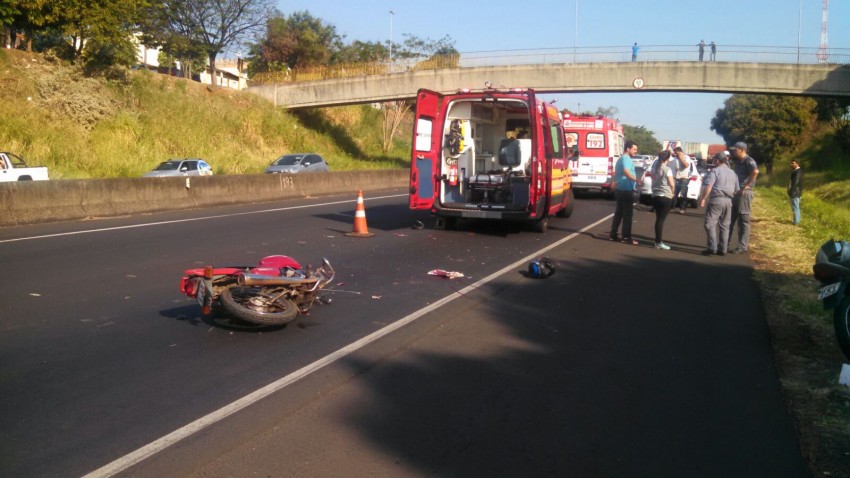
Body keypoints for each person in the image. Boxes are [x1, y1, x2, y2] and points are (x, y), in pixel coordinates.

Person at [699, 152, 739, 255]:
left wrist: (703, 198)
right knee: (725, 226)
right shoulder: (733, 173)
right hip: (729, 201)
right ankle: (723, 249)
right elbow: (736, 190)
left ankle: (712, 247)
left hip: (716, 200)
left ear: (717, 160)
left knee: (709, 224)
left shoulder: (715, 171)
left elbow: (709, 186)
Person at [728, 142, 759, 254]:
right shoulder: (739, 162)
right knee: (731, 218)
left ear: (742, 150)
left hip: (744, 193)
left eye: (735, 150)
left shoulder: (748, 160)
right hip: (737, 192)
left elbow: (755, 171)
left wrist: (746, 185)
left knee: (743, 220)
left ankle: (742, 246)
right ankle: (725, 243)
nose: (733, 152)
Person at [609, 140, 639, 245]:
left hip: (619, 189)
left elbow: (618, 173)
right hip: (625, 190)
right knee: (627, 215)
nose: (636, 151)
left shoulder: (621, 159)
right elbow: (626, 172)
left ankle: (613, 235)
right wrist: (637, 180)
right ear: (628, 149)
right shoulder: (626, 159)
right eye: (634, 149)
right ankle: (626, 237)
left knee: (619, 213)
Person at [650, 150, 676, 250]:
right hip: (665, 196)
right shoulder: (667, 169)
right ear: (668, 159)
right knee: (661, 220)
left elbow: (653, 179)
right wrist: (673, 193)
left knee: (658, 219)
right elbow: (671, 184)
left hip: (655, 195)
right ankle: (658, 242)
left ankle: (658, 241)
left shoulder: (654, 168)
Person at [672, 146, 692, 214]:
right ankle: (672, 207)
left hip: (684, 178)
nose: (676, 155)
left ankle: (682, 208)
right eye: (675, 154)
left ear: (680, 152)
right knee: (674, 193)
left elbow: (686, 166)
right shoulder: (675, 159)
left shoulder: (686, 157)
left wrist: (681, 158)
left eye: (677, 153)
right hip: (677, 177)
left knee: (683, 194)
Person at [788, 159, 803, 225]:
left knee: (795, 207)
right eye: (791, 163)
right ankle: (796, 220)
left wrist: (791, 190)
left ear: (797, 164)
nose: (791, 164)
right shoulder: (797, 171)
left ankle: (796, 221)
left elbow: (795, 182)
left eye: (793, 163)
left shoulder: (797, 172)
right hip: (797, 191)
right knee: (795, 206)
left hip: (795, 192)